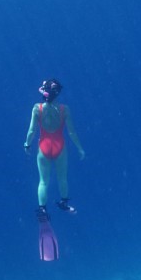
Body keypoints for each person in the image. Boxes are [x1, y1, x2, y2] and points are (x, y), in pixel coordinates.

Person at [24, 79, 85, 220]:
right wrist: (80, 148)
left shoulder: (37, 108)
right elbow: (71, 132)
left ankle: (42, 209)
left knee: (43, 181)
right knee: (62, 178)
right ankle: (64, 202)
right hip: (60, 146)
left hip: (43, 146)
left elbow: (32, 130)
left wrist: (27, 144)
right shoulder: (64, 109)